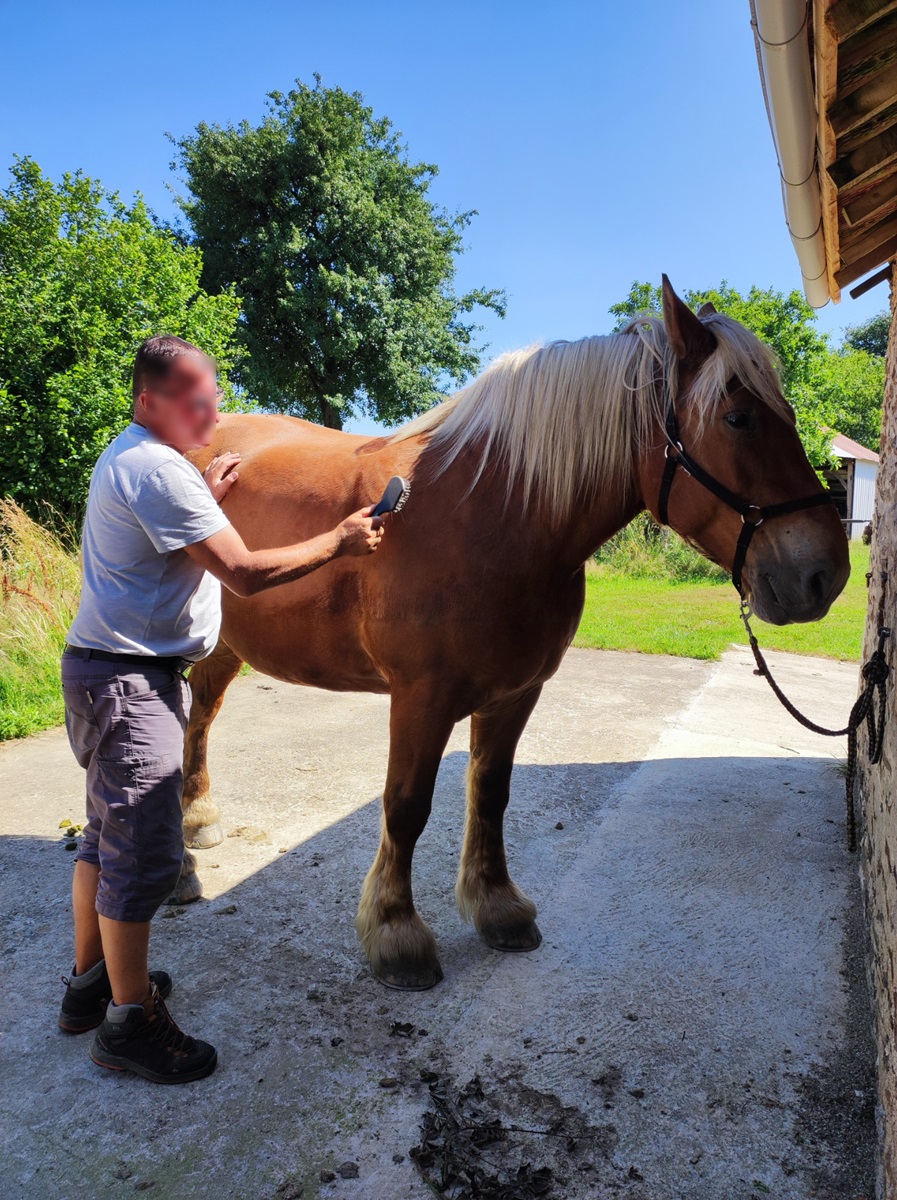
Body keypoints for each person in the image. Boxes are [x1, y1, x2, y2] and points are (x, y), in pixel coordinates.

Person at [58, 335, 384, 1084]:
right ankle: (129, 1025)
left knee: (103, 840)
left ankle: (89, 984)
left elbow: (170, 523)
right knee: (142, 857)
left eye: (213, 392)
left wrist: (201, 485)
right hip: (132, 683)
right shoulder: (157, 473)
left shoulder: (146, 460)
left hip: (107, 672)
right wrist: (339, 539)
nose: (210, 409)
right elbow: (242, 573)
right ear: (149, 401)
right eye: (191, 399)